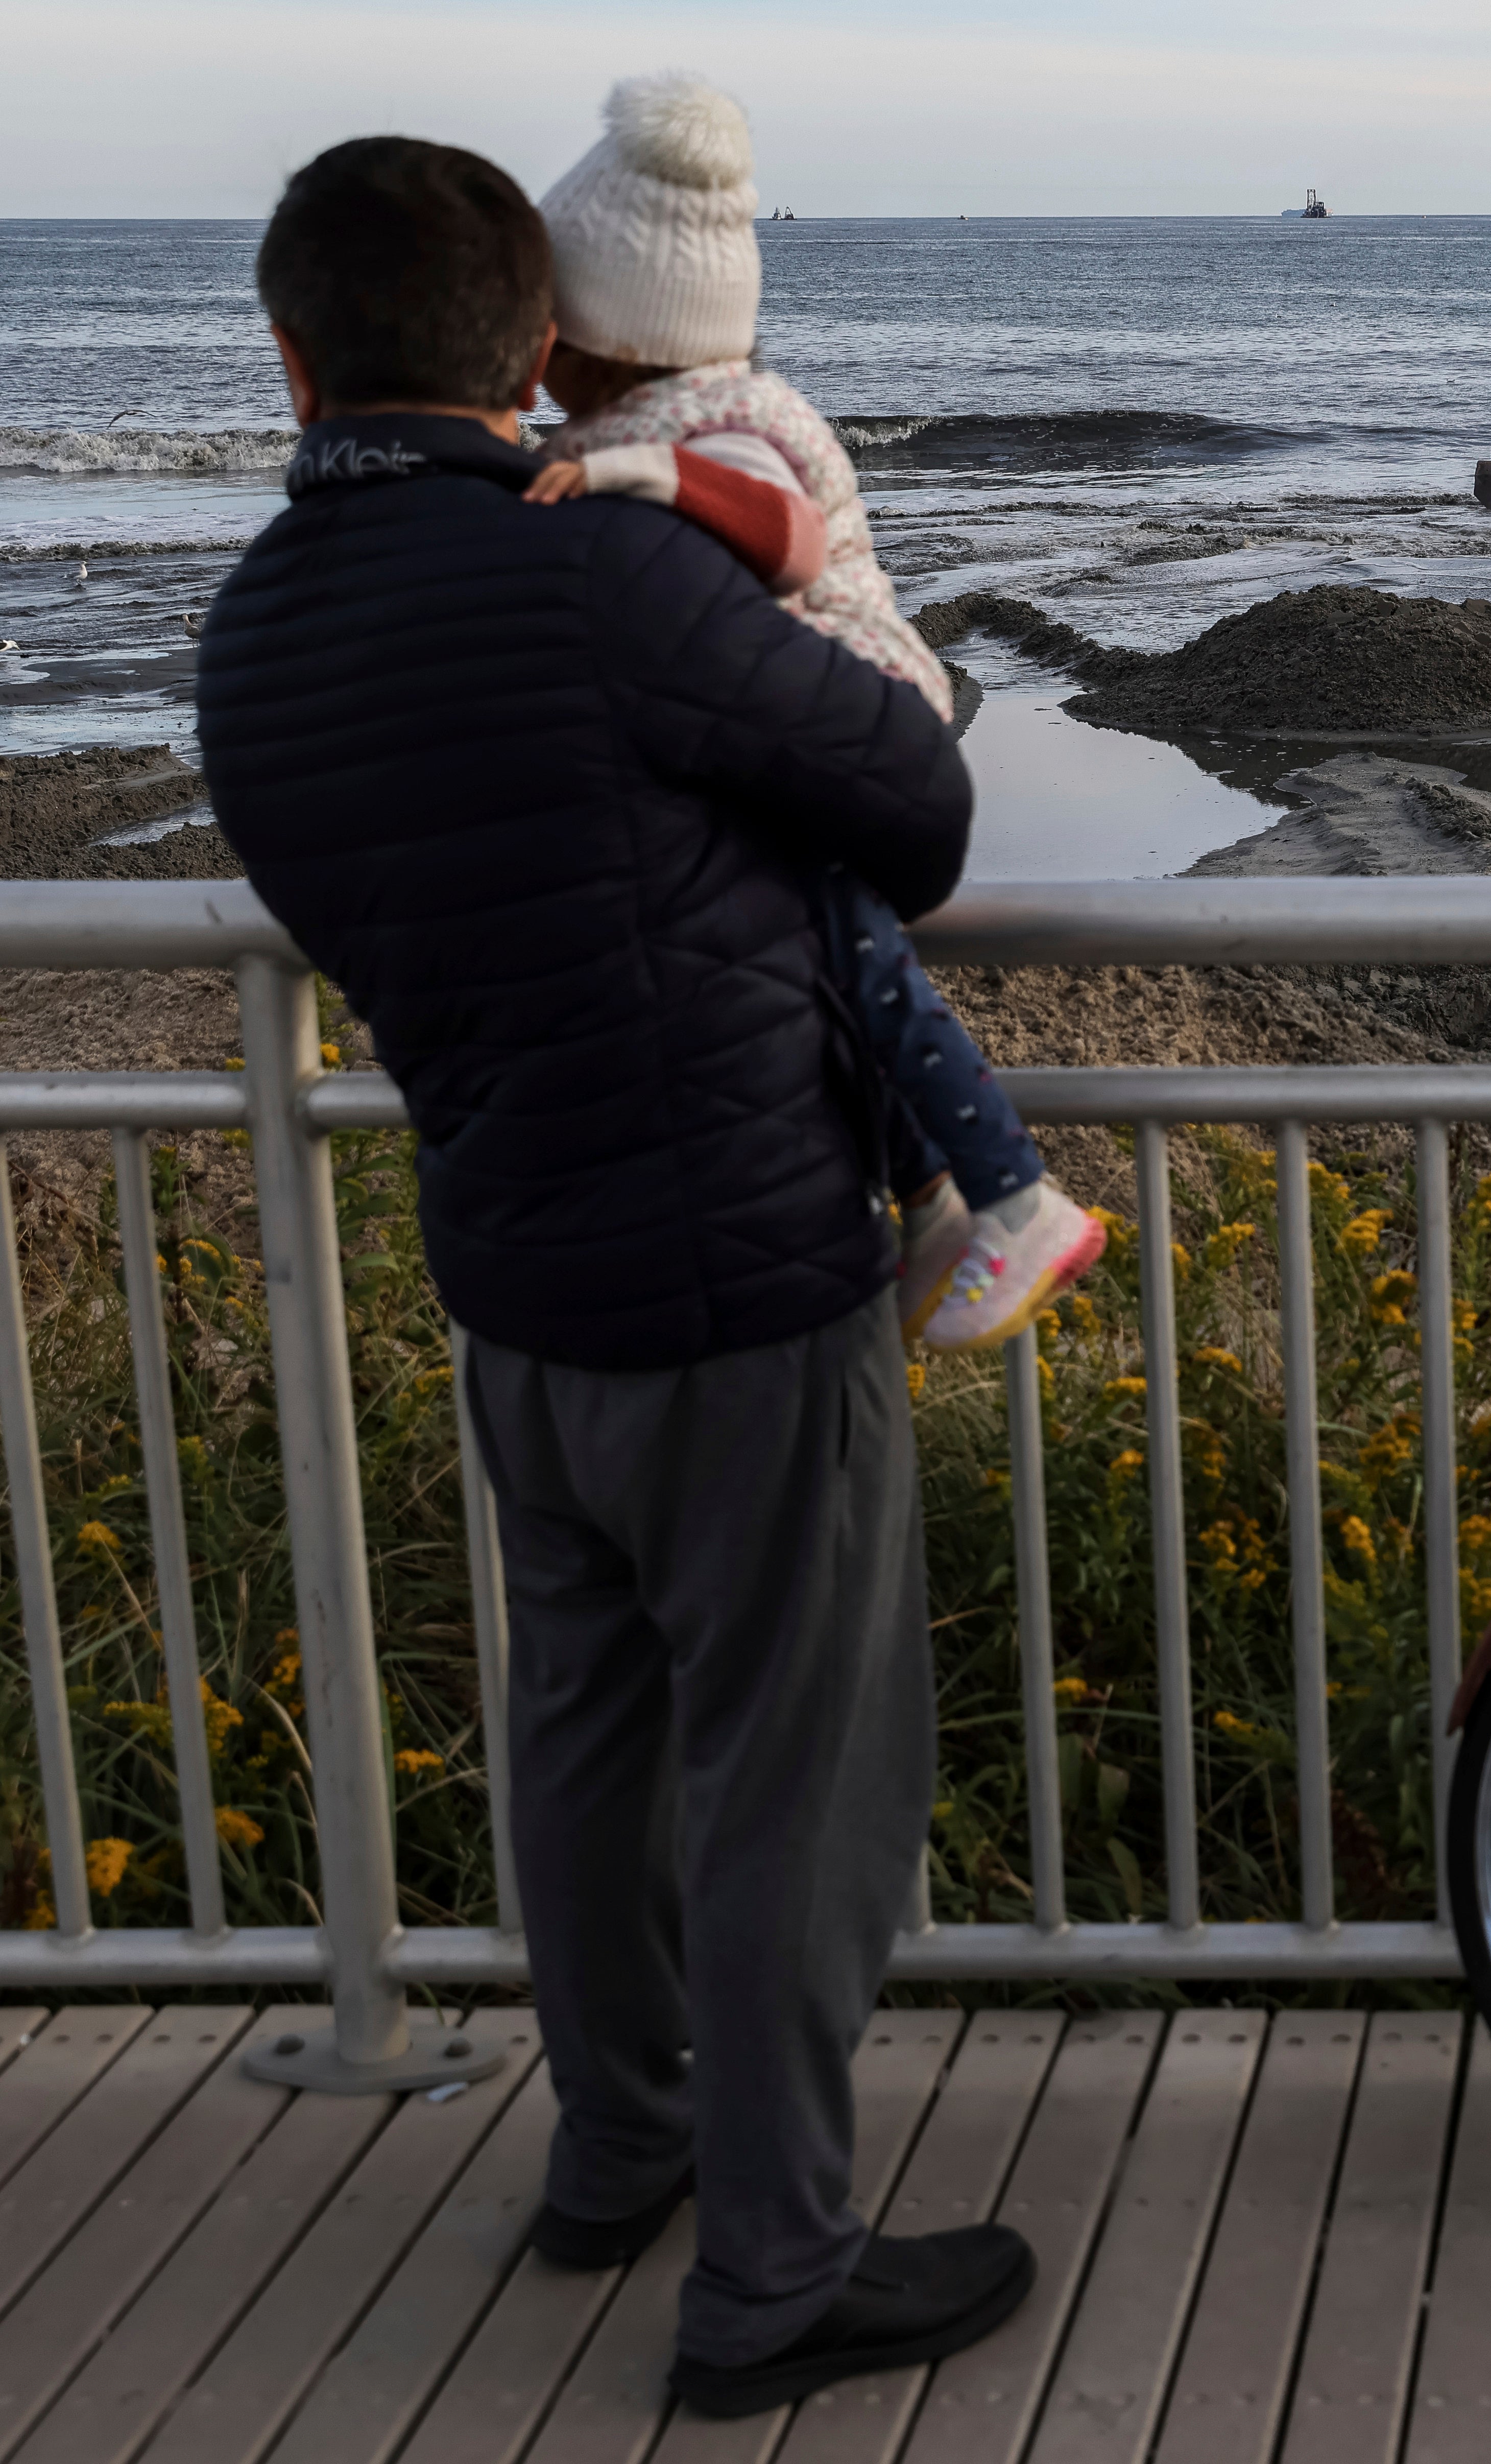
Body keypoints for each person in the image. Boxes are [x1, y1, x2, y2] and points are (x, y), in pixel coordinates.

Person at [192, 135, 1031, 2419]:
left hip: (511, 1266)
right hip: (742, 1271)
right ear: (538, 347)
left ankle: (619, 2150)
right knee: (792, 1779)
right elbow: (920, 809)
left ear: (290, 356)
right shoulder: (609, 582)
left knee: (583, 1742)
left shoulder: (254, 633)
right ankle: (772, 2275)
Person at [515, 71, 1100, 1354]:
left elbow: (778, 539)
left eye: (549, 323)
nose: (534, 348)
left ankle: (1013, 1193)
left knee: (859, 956)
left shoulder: (713, 427)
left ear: (613, 334)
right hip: (823, 711)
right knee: (823, 947)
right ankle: (935, 1194)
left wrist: (627, 471)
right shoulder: (697, 408)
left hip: (858, 703)